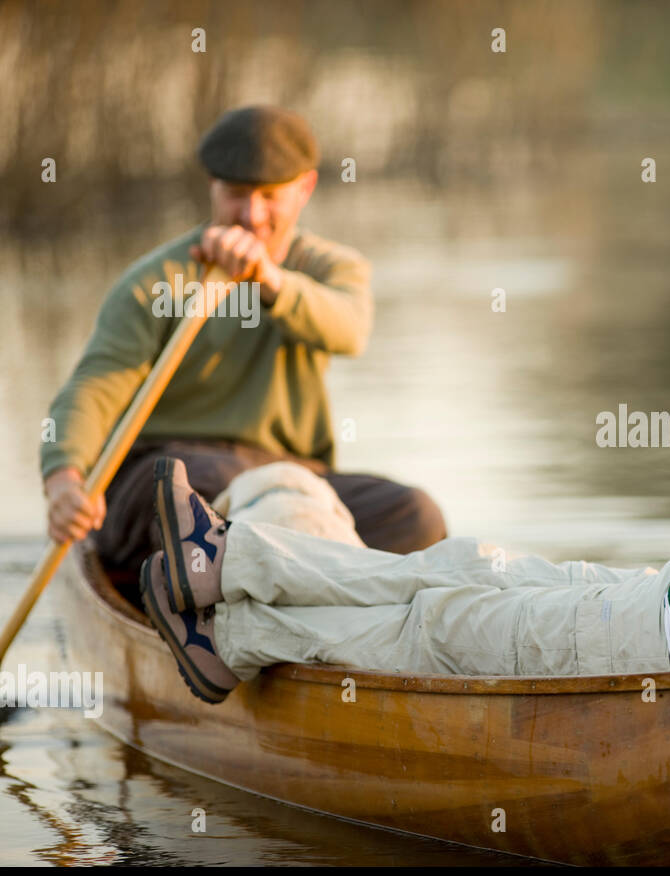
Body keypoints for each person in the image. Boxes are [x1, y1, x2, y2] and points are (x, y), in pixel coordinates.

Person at [137, 277, 670, 704]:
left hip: (659, 639)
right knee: (465, 563)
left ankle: (236, 630)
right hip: (665, 600)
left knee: (443, 621)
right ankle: (226, 564)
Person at [39, 105, 448, 602]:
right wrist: (64, 476)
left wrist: (270, 282)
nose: (252, 216)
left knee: (415, 515)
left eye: (270, 197)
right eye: (236, 194)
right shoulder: (157, 280)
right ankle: (210, 618)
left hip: (292, 479)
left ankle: (322, 610)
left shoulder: (332, 269)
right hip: (166, 473)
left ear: (305, 189)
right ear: (212, 187)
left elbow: (349, 329)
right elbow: (93, 387)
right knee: (212, 495)